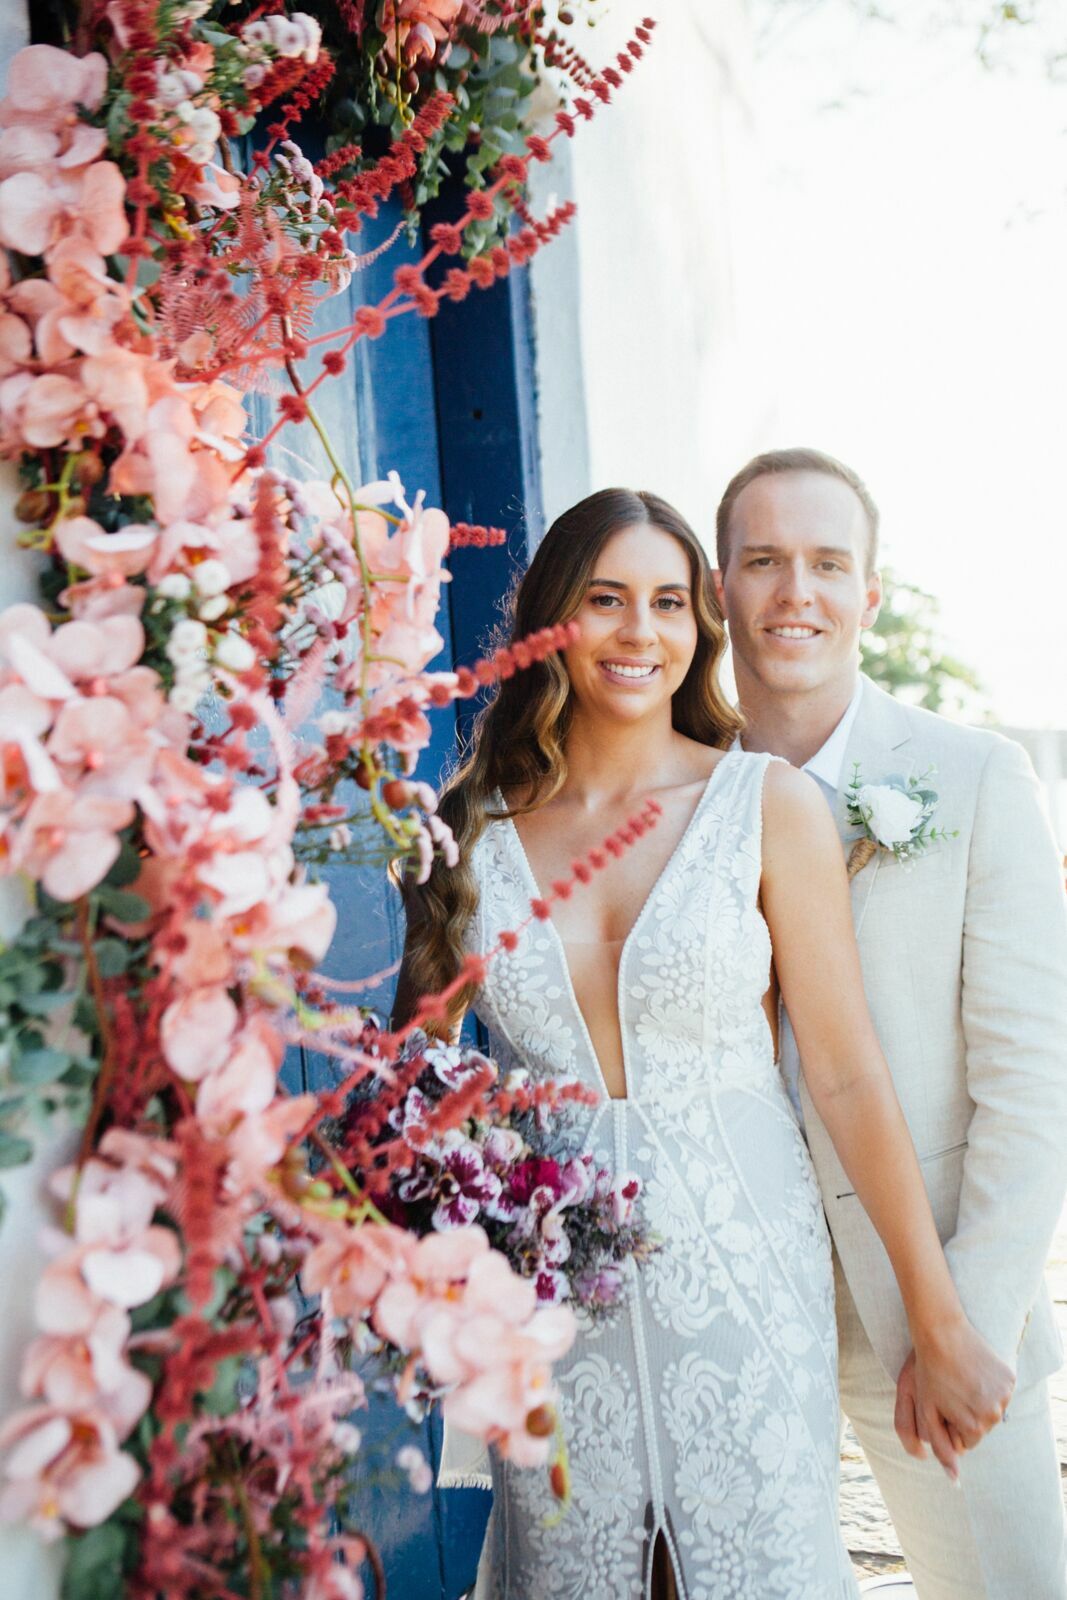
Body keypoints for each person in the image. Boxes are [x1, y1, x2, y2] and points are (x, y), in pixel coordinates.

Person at [395, 487, 1013, 1600]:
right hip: (553, 1295)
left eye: (670, 602)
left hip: (741, 1266)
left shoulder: (761, 804)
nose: (640, 632)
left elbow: (843, 1070)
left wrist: (937, 1314)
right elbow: (419, 1099)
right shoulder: (470, 832)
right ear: (552, 620)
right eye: (606, 599)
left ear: (698, 624)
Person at [713, 447, 1067, 1600]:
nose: (792, 592)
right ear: (719, 586)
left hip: (931, 1306)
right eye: (761, 561)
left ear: (867, 592)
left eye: (825, 563)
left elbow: (1032, 1076)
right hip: (734, 1311)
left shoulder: (969, 780)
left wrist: (965, 1318)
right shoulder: (680, 794)